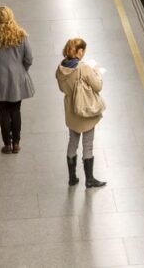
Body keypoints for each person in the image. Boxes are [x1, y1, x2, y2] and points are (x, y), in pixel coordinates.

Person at [0, 7, 34, 154]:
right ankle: (16, 143)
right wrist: (21, 70)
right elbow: (29, 58)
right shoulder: (22, 35)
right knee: (16, 110)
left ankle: (7, 145)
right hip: (17, 78)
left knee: (3, 111)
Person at [55, 38, 106, 188]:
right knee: (88, 145)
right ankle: (89, 179)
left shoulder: (60, 69)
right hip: (86, 110)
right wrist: (96, 70)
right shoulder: (83, 68)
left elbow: (62, 89)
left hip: (71, 109)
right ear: (80, 51)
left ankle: (72, 178)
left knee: (73, 141)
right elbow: (98, 86)